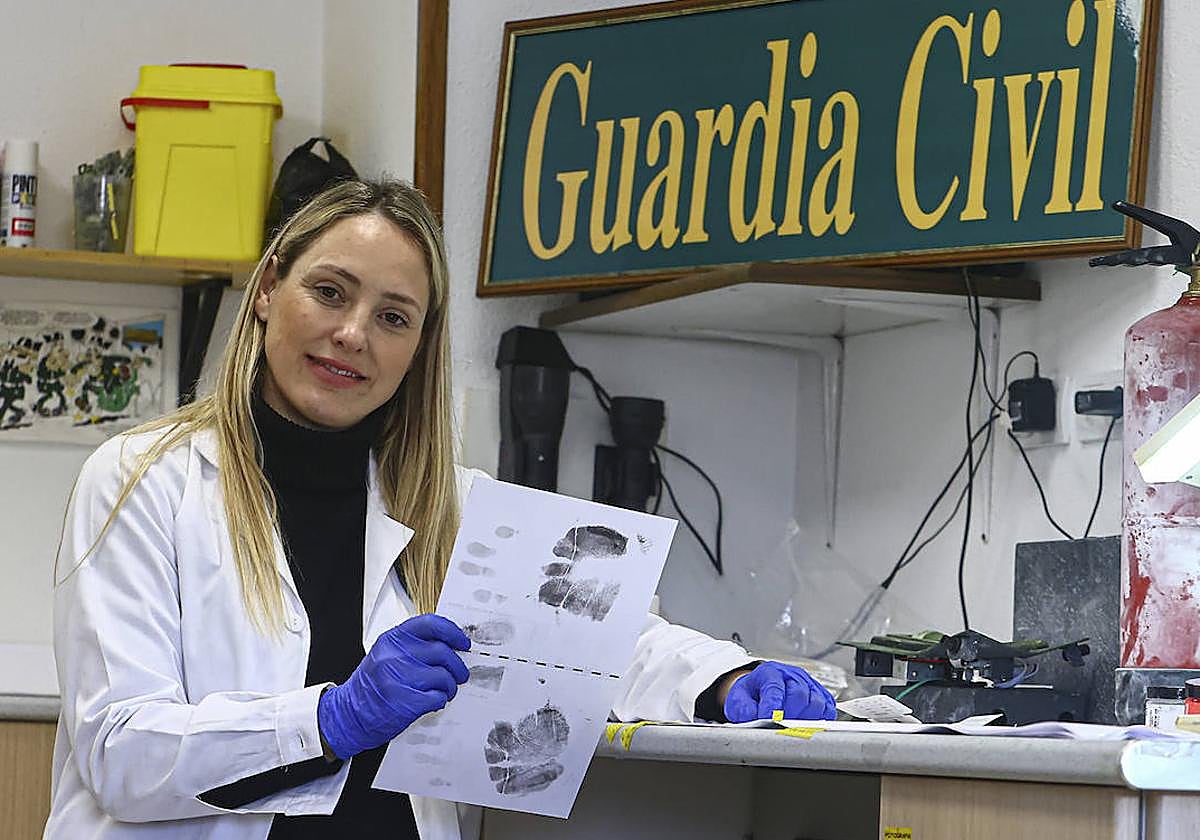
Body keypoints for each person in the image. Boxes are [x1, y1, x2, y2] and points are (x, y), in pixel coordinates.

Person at [44, 178, 835, 840]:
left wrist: (726, 679)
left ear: (418, 345)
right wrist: (330, 719)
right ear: (265, 291)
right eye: (328, 292)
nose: (352, 334)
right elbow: (122, 751)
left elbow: (606, 639)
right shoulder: (143, 479)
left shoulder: (451, 503)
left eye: (393, 316)